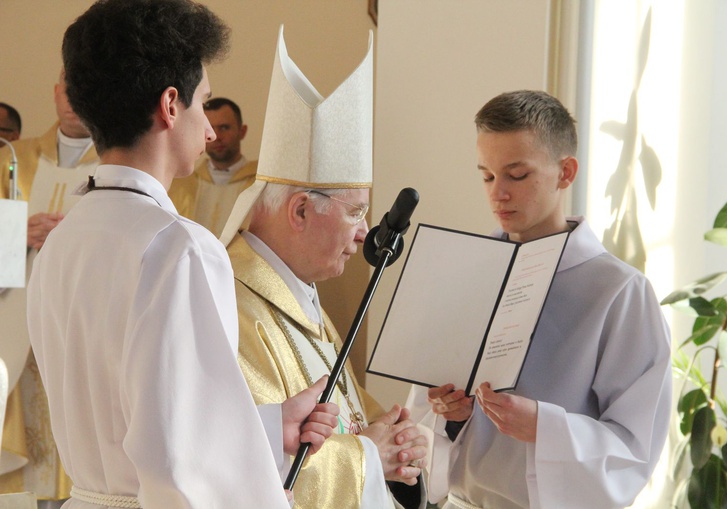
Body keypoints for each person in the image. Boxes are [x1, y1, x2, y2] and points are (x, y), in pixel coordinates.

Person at [26, 1, 338, 508]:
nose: (211, 131)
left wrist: (267, 424)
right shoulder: (181, 247)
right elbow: (185, 466)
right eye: (203, 104)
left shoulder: (62, 239)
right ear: (171, 105)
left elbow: (151, 424)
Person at [407, 90, 672, 509]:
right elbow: (424, 422)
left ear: (565, 172)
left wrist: (543, 428)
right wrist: (449, 415)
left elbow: (634, 448)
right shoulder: (465, 274)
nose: (499, 194)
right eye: (487, 176)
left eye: (517, 174)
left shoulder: (619, 292)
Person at [218, 26, 427, 509]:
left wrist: (401, 442)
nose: (365, 231)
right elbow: (247, 459)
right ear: (300, 211)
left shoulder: (300, 292)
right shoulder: (233, 302)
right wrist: (372, 456)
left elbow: (352, 416)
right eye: (355, 212)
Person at [0, 71, 99, 507]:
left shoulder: (120, 164)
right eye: (67, 88)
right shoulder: (10, 158)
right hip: (15, 335)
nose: (75, 98)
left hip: (83, 332)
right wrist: (17, 231)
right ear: (55, 92)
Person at [169, 97, 258, 237]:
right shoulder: (180, 185)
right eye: (209, 128)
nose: (216, 136)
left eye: (224, 127)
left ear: (242, 131)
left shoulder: (260, 185)